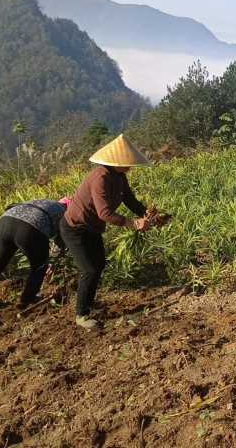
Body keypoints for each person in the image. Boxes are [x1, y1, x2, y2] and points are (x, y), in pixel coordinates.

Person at [61, 135, 165, 330]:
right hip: (75, 228)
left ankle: (86, 301)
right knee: (90, 269)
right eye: (127, 163)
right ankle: (81, 315)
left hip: (92, 229)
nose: (130, 166)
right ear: (116, 162)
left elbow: (130, 201)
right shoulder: (100, 177)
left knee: (99, 264)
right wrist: (134, 223)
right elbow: (105, 213)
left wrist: (147, 214)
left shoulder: (119, 177)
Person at [0, 197, 70, 312]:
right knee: (39, 265)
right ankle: (27, 300)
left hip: (6, 220)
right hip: (30, 227)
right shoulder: (66, 214)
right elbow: (60, 242)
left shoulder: (45, 202)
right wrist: (52, 263)